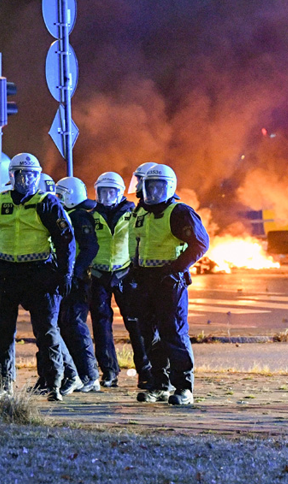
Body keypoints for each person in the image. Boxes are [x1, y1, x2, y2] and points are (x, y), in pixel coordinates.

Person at [0, 153, 75, 401]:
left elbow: (65, 240)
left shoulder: (47, 203)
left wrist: (65, 273)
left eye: (31, 175)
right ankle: (3, 385)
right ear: (12, 177)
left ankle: (54, 384)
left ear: (37, 177)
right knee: (2, 333)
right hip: (5, 273)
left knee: (47, 331)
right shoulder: (0, 203)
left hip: (39, 273)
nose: (26, 180)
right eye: (21, 175)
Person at [129, 164, 209, 406]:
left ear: (170, 187)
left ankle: (184, 388)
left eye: (159, 186)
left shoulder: (179, 212)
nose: (153, 191)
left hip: (169, 283)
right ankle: (159, 385)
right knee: (149, 336)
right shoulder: (140, 212)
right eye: (149, 186)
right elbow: (135, 245)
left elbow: (200, 244)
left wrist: (175, 269)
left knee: (173, 334)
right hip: (144, 281)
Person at [88, 171, 150, 388]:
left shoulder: (133, 213)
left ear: (120, 193)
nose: (107, 196)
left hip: (125, 273)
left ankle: (145, 371)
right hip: (98, 275)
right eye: (103, 192)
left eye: (111, 191)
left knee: (135, 324)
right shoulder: (91, 215)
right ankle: (109, 372)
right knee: (101, 326)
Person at [51, 177, 101, 393]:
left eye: (61, 195)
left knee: (75, 326)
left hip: (78, 282)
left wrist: (74, 273)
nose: (58, 199)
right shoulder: (69, 215)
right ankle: (78, 375)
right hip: (69, 279)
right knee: (66, 326)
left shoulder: (80, 218)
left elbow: (89, 248)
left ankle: (90, 376)